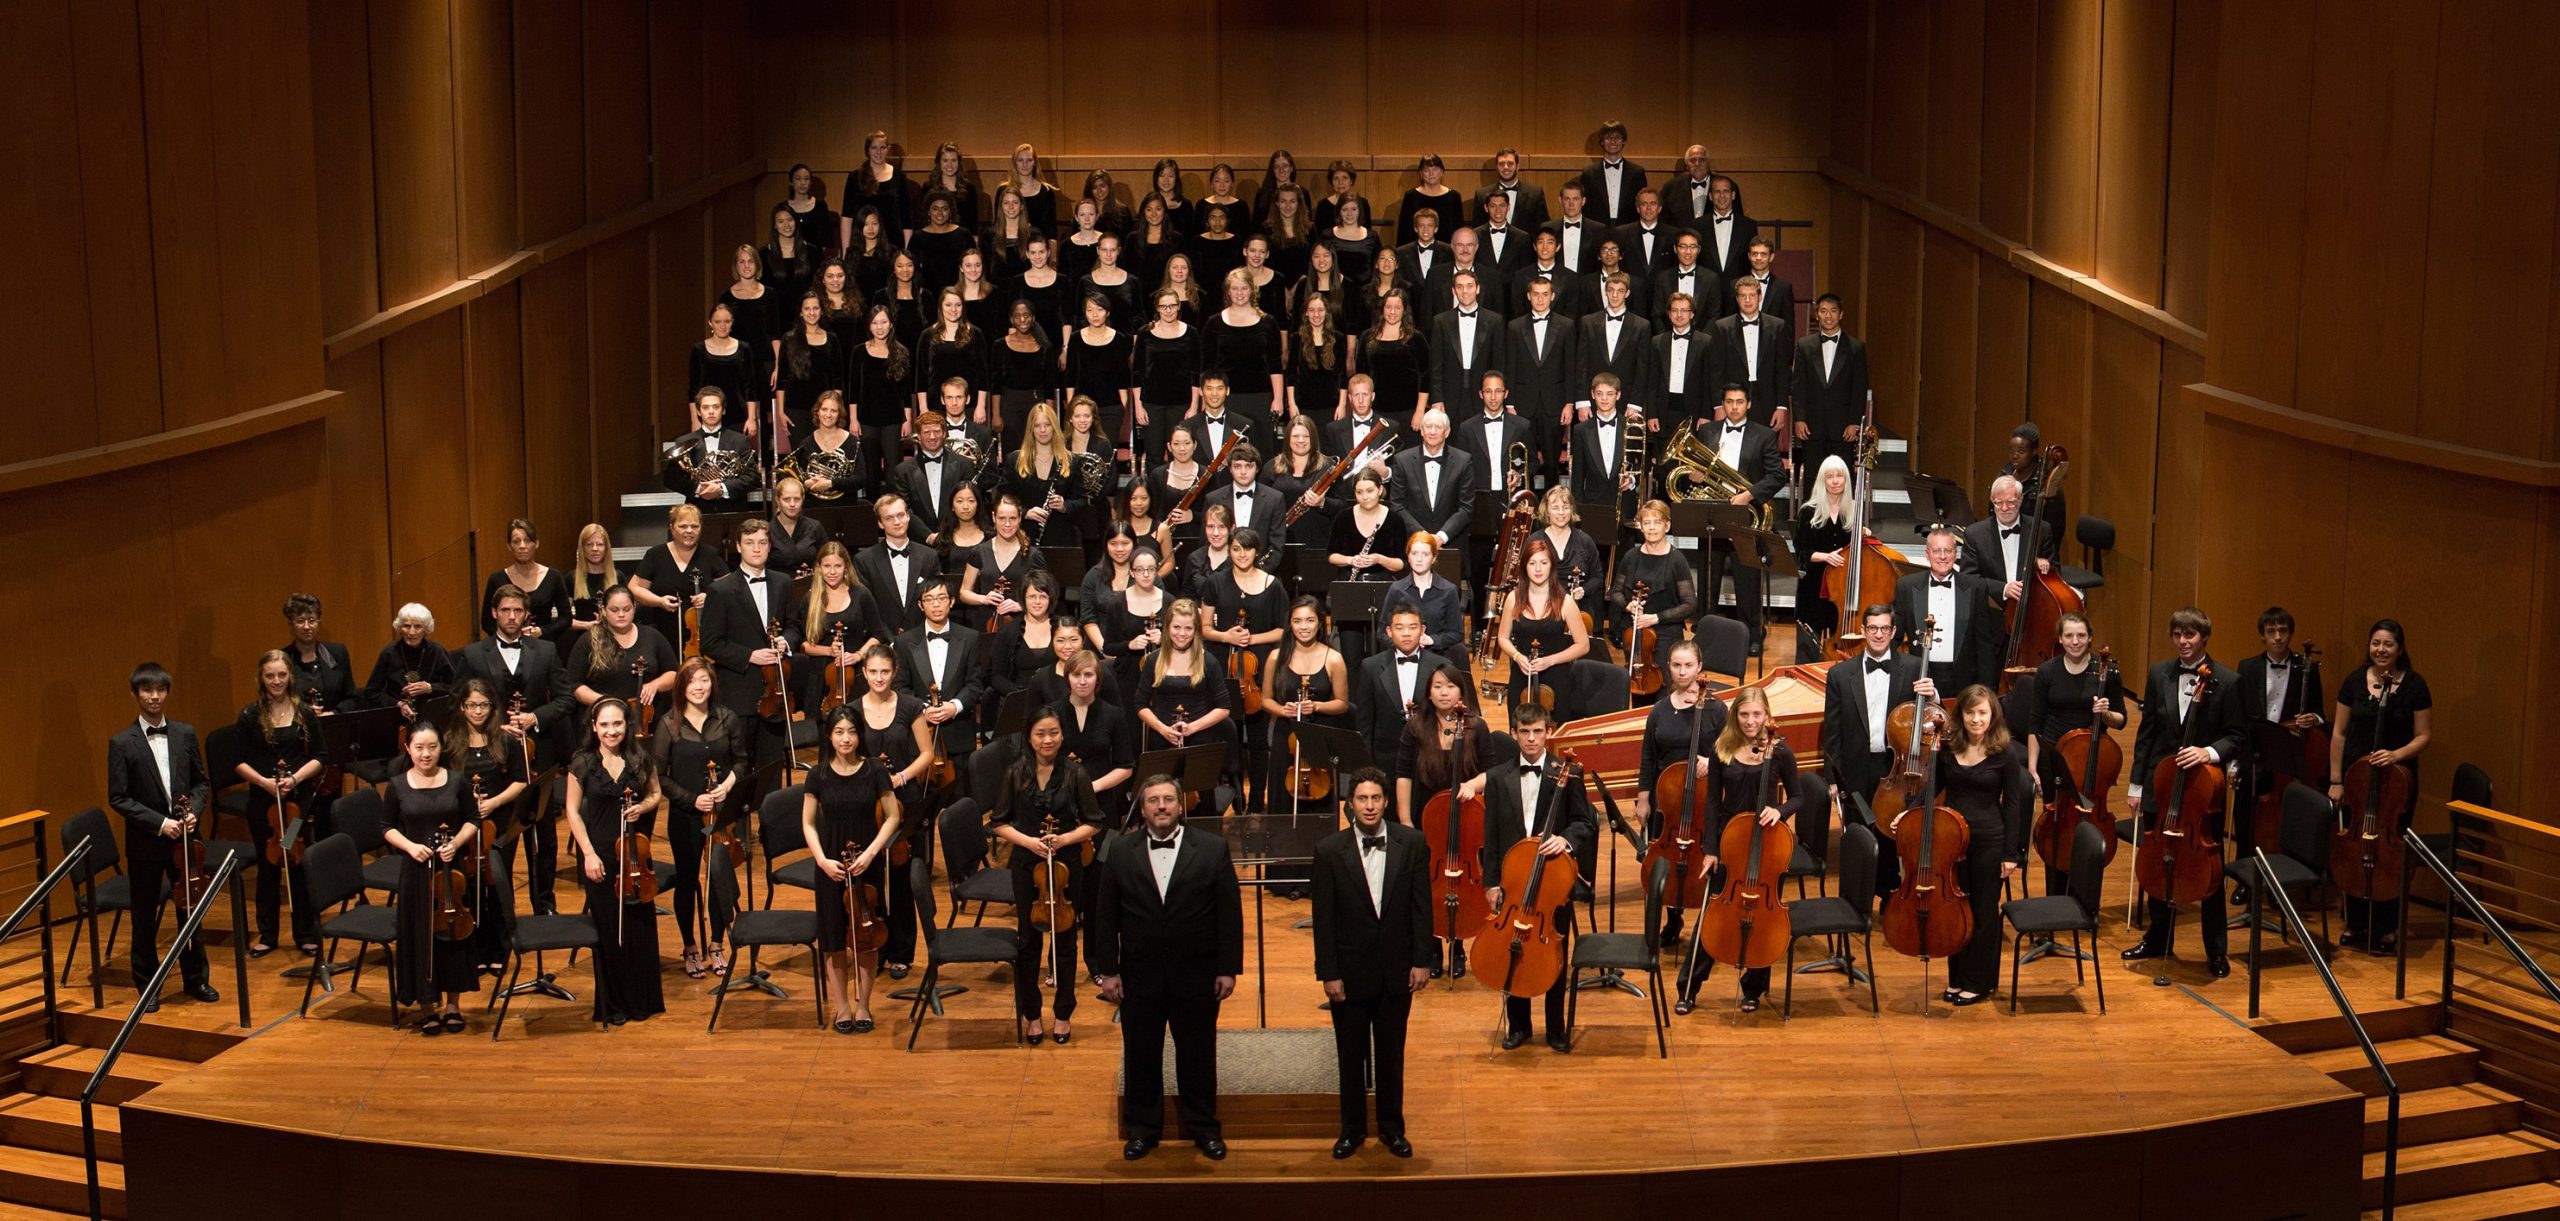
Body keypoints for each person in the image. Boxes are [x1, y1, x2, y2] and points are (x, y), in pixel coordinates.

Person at [1095, 773, 1243, 1161]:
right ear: (1141, 809)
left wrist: (1228, 968)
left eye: (1168, 800)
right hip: (1139, 976)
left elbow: (1229, 915)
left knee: (1198, 1056)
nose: (1161, 806)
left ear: (1181, 805)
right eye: (1153, 800)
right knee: (1141, 1055)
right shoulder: (1121, 851)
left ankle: (1204, 1129)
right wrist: (1107, 971)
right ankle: (1142, 1130)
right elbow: (1105, 917)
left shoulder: (1212, 849)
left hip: (1196, 974)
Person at [2122, 608, 2245, 979]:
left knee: (2208, 870)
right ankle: (2159, 938)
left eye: (2190, 636)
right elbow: (2147, 732)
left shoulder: (2227, 680)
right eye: (2177, 635)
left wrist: (2207, 753)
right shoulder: (2160, 673)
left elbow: (2238, 736)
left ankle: (2216, 951)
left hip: (2203, 791)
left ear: (2204, 638)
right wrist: (2136, 785)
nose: (2183, 642)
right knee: (2162, 864)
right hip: (2163, 782)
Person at [1312, 767, 1428, 1160]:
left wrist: (1421, 961)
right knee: (1350, 1057)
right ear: (1350, 805)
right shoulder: (1329, 851)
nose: (1369, 805)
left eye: (1375, 798)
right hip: (1350, 973)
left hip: (1397, 970)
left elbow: (1420, 907)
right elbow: (1323, 920)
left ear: (1386, 802)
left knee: (1392, 1056)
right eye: (1362, 799)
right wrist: (1329, 973)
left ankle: (1392, 1130)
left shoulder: (1411, 843)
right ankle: (1352, 1131)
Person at [1671, 686, 1800, 1014]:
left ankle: (1754, 988)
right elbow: (1713, 801)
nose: (1751, 721)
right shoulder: (1722, 749)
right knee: (1711, 914)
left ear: (1767, 715)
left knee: (1763, 915)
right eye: (1744, 714)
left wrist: (1780, 812)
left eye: (1757, 714)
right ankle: (1688, 987)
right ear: (1735, 716)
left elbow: (1799, 796)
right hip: (1729, 840)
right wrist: (1711, 849)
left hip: (1768, 844)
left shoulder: (1780, 751)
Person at [1479, 705, 1592, 1051]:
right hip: (1512, 882)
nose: (1531, 739)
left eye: (1538, 732)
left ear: (1548, 733)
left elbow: (1584, 822)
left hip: (1552, 883)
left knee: (1554, 949)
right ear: (1513, 733)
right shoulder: (1498, 777)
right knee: (1513, 949)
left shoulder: (1568, 772)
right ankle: (1519, 1026)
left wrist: (1566, 839)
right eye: (1524, 732)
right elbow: (1492, 834)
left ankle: (1556, 1028)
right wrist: (1491, 883)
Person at [990, 706, 1105, 1043]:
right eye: (1041, 733)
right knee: (1029, 940)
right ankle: (1032, 1014)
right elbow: (997, 823)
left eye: (1054, 732)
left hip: (1068, 865)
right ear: (1029, 736)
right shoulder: (1015, 773)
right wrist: (1029, 843)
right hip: (1028, 866)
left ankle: (1064, 1013)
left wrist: (1065, 838)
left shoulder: (1075, 774)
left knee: (1066, 940)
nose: (1048, 739)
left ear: (1062, 734)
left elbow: (1094, 822)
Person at [108, 664, 217, 1010]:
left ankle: (196, 978)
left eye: (160, 690)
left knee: (190, 909)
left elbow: (201, 783)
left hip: (186, 838)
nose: (154, 696)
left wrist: (193, 812)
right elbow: (119, 798)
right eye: (146, 690)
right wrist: (160, 823)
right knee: (143, 915)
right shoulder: (121, 742)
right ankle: (148, 985)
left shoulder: (185, 733)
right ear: (135, 694)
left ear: (167, 692)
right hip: (147, 843)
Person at [2328, 619, 2430, 954]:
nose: (2380, 650)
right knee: (2356, 847)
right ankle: (2356, 922)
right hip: (2357, 781)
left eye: (2387, 644)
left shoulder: (2415, 686)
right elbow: (2339, 734)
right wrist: (2336, 780)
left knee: (2389, 852)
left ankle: (2387, 927)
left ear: (2400, 648)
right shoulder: (2354, 682)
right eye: (2375, 643)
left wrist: (2396, 755)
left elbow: (2423, 736)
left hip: (2396, 785)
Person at [796, 706, 899, 1034]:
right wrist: (822, 860)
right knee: (833, 937)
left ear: (860, 735)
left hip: (865, 862)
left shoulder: (875, 770)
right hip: (831, 866)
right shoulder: (818, 774)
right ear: (829, 736)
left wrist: (871, 853)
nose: (846, 738)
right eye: (839, 732)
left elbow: (893, 816)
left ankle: (864, 1004)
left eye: (852, 732)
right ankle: (842, 1007)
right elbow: (808, 824)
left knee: (866, 937)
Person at [1820, 604, 1932, 899]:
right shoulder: (1841, 674)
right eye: (1872, 628)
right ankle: (1856, 901)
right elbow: (1832, 731)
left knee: (1890, 834)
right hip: (1856, 765)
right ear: (1863, 631)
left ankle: (1889, 896)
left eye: (1885, 628)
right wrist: (1831, 776)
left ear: (1894, 632)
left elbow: (1931, 720)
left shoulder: (1913, 667)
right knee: (1859, 834)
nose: (1878, 634)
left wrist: (1933, 696)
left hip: (1895, 766)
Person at [564, 699, 665, 1025]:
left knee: (639, 926)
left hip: (634, 855)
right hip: (601, 854)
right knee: (610, 930)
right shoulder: (583, 762)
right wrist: (588, 854)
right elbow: (572, 812)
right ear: (594, 727)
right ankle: (614, 1004)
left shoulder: (640, 759)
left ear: (627, 725)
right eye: (604, 725)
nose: (611, 731)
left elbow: (655, 794)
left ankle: (643, 1001)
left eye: (617, 724)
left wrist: (642, 808)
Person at [382, 719, 480, 1034]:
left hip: (451, 873)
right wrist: (410, 847)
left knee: (453, 934)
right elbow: (387, 827)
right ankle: (426, 1005)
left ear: (441, 748)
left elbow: (472, 819)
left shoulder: (456, 781)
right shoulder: (396, 785)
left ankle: (452, 1005)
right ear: (408, 749)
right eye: (419, 747)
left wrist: (455, 843)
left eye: (433, 747)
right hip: (416, 872)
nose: (426, 754)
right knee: (419, 935)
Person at [2020, 612, 2126, 896]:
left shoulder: (2108, 672)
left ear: (2090, 637)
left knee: (2090, 832)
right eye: (2069, 636)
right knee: (2057, 829)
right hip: (2054, 757)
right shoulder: (2048, 672)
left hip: (2093, 760)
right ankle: (2056, 900)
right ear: (2060, 639)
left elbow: (2121, 719)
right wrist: (2032, 767)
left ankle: (2084, 902)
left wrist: (2106, 715)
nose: (2075, 641)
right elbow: (2035, 722)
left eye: (2081, 635)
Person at [652, 659, 746, 980]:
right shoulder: (668, 725)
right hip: (685, 814)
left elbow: (741, 762)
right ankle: (690, 946)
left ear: (712, 683)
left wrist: (726, 786)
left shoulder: (727, 718)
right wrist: (693, 799)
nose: (699, 687)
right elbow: (660, 778)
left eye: (704, 680)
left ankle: (717, 943)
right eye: (692, 681)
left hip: (721, 814)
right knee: (688, 880)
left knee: (718, 876)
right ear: (681, 686)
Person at [1395, 661, 1486, 972]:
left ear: (1461, 691)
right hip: (1425, 815)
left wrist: (1473, 784)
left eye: (1450, 686)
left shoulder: (1476, 726)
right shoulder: (1415, 727)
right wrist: (1406, 821)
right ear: (1428, 693)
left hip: (1466, 817)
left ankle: (1458, 945)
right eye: (1437, 687)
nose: (1444, 692)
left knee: (1462, 880)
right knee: (1425, 884)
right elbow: (1403, 774)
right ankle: (1431, 947)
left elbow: (1495, 770)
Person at [233, 651, 326, 958]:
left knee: (297, 863)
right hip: (264, 806)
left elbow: (320, 757)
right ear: (261, 678)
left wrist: (295, 780)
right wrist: (264, 782)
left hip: (296, 805)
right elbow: (237, 760)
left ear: (290, 677)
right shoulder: (249, 716)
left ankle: (305, 933)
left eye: (281, 675)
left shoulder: (304, 713)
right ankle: (268, 933)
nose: (276, 681)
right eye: (270, 675)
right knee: (268, 866)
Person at [1636, 642, 1728, 951]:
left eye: (1689, 665)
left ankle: (1707, 920)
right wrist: (1644, 797)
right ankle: (1672, 918)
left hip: (1703, 800)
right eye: (1676, 665)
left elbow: (1733, 750)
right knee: (1667, 858)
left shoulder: (1715, 709)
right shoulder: (1660, 709)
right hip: (1668, 800)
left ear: (1700, 666)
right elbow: (1648, 756)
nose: (1683, 671)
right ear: (1668, 667)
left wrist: (1712, 761)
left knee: (1701, 855)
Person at [698, 520, 797, 793]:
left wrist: (785, 642)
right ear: (739, 547)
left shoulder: (783, 582)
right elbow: (710, 644)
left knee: (772, 767)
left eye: (763, 543)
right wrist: (750, 655)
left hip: (776, 695)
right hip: (739, 693)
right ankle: (740, 830)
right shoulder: (721, 589)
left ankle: (772, 829)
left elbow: (794, 626)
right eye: (750, 543)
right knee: (739, 768)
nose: (757, 549)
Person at [2229, 607, 2329, 868]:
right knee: (2245, 812)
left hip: (2289, 752)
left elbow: (2319, 713)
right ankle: (2245, 872)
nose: (2277, 637)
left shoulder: (2306, 668)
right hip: (2257, 750)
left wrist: (2313, 719)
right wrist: (2236, 760)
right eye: (2271, 631)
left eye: (2282, 630)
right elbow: (2239, 717)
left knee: (2290, 814)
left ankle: (2286, 872)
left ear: (2290, 634)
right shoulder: (2247, 667)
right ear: (2262, 635)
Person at [444, 679, 526, 972]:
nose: (478, 711)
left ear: (493, 707)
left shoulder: (504, 740)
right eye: (471, 705)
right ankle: (475, 947)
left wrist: (493, 803)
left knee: (497, 885)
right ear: (462, 707)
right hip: (464, 825)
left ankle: (501, 947)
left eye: (483, 705)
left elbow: (520, 780)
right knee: (470, 885)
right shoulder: (450, 741)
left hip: (500, 822)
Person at [1698, 385, 1788, 650]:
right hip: (1712, 513)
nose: (1734, 407)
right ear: (1722, 404)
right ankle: (1706, 634)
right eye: (1729, 402)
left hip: (1746, 515)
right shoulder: (1707, 431)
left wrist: (1750, 494)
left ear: (1748, 404)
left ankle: (1752, 635)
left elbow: (1777, 475)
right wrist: (1695, 474)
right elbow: (1695, 468)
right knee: (1707, 577)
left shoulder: (1763, 435)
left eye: (1739, 402)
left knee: (1747, 577)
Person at [454, 584, 572, 773]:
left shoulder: (546, 650)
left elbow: (566, 698)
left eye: (518, 610)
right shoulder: (472, 654)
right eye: (505, 610)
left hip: (539, 749)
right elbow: (456, 702)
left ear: (526, 614)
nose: (511, 616)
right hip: (488, 749)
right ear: (494, 613)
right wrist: (494, 727)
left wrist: (534, 717)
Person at [892, 579, 988, 768]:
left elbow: (975, 684)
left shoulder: (970, 638)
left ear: (951, 602)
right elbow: (900, 687)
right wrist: (923, 709)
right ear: (920, 605)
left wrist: (955, 706)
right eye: (929, 599)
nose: (936, 604)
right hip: (919, 734)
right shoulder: (904, 641)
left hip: (959, 735)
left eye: (941, 598)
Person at [1894, 526, 2003, 692]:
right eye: (1937, 551)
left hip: (1964, 681)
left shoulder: (1975, 587)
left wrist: (1986, 689)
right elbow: (1895, 635)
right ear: (1927, 554)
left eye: (1948, 550)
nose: (1943, 556)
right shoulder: (1906, 586)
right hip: (1920, 679)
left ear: (1956, 553)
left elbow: (1984, 643)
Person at [1608, 499, 1700, 678]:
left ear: (1667, 526)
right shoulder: (1631, 556)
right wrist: (1628, 606)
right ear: (1640, 527)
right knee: (1636, 682)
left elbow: (1689, 604)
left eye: (1657, 522)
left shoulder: (1676, 560)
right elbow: (1615, 592)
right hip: (1633, 632)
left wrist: (1656, 618)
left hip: (1665, 633)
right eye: (1646, 523)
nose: (1651, 528)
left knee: (1662, 683)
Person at [1497, 537, 1590, 708]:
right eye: (1532, 563)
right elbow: (1502, 637)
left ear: (1552, 566)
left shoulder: (1565, 602)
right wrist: (1517, 657)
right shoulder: (1513, 598)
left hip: (1557, 678)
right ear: (1525, 566)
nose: (1538, 569)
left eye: (1543, 562)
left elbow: (1583, 645)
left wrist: (1550, 660)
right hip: (1521, 675)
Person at [627, 503, 729, 657]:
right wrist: (659, 601)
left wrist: (710, 597)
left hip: (703, 634)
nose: (689, 531)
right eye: (683, 526)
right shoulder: (656, 555)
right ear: (672, 527)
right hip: (665, 631)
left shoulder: (711, 554)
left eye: (694, 526)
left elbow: (730, 588)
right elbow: (634, 588)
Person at [1135, 598, 1233, 757]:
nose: (1182, 633)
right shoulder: (1153, 660)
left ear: (1196, 630)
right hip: (1162, 740)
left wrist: (1193, 727)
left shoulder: (1209, 661)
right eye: (1176, 627)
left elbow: (1223, 708)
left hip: (1201, 741)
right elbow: (1140, 704)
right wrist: (1162, 729)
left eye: (1188, 628)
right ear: (1167, 627)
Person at [1790, 293, 1869, 474]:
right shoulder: (1804, 345)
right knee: (1813, 477)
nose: (1828, 316)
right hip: (1811, 425)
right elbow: (1798, 386)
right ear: (1817, 314)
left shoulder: (1856, 348)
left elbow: (1859, 389)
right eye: (1823, 311)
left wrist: (1854, 423)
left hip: (1843, 428)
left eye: (1833, 311)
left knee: (1841, 476)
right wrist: (1799, 419)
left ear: (1841, 314)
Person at [1707, 277, 1791, 426]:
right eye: (1742, 296)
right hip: (1733, 401)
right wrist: (1718, 405)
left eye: (1751, 295)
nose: (1747, 300)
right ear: (1737, 299)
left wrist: (1781, 406)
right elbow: (1716, 371)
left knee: (1765, 448)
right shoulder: (1721, 327)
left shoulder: (1778, 326)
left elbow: (1782, 369)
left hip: (1768, 402)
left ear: (1760, 297)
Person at [1793, 456, 1856, 641]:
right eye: (1830, 476)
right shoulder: (1808, 511)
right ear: (1822, 481)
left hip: (1843, 589)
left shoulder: (1854, 511)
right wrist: (1826, 557)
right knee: (1810, 646)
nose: (1835, 481)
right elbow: (1801, 552)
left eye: (1840, 476)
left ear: (1846, 480)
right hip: (1814, 587)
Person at [361, 603, 457, 722]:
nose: (411, 632)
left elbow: (456, 687)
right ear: (399, 628)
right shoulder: (389, 653)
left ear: (426, 629)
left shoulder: (437, 651)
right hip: (396, 719)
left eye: (417, 626)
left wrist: (430, 687)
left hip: (432, 718)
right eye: (406, 626)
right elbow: (371, 692)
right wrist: (398, 704)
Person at [1379, 533, 1465, 665]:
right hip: (1402, 660)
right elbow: (1382, 632)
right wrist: (1404, 644)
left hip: (1437, 660)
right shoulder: (1396, 589)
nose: (1419, 559)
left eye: (1425, 554)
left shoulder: (1448, 590)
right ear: (1408, 557)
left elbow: (1456, 634)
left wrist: (1432, 640)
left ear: (1434, 558)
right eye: (1414, 553)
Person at [661, 386, 756, 505]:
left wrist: (722, 488)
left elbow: (752, 477)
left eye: (716, 407)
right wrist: (698, 488)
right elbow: (670, 478)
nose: (711, 411)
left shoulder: (740, 440)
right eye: (705, 407)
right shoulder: (684, 441)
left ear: (724, 410)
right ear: (698, 411)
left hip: (732, 508)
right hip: (696, 510)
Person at [479, 519, 570, 641]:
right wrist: (510, 636)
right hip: (507, 647)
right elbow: (487, 622)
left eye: (527, 540)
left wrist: (542, 631)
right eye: (516, 541)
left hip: (544, 646)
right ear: (509, 546)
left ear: (536, 543)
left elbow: (566, 618)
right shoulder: (496, 579)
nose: (522, 546)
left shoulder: (554, 576)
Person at [280, 593, 359, 712]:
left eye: (311, 620)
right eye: (300, 621)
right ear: (291, 626)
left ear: (319, 624)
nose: (306, 626)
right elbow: (274, 701)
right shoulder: (282, 659)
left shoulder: (337, 653)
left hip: (334, 725)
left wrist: (334, 713)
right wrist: (302, 712)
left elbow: (352, 698)